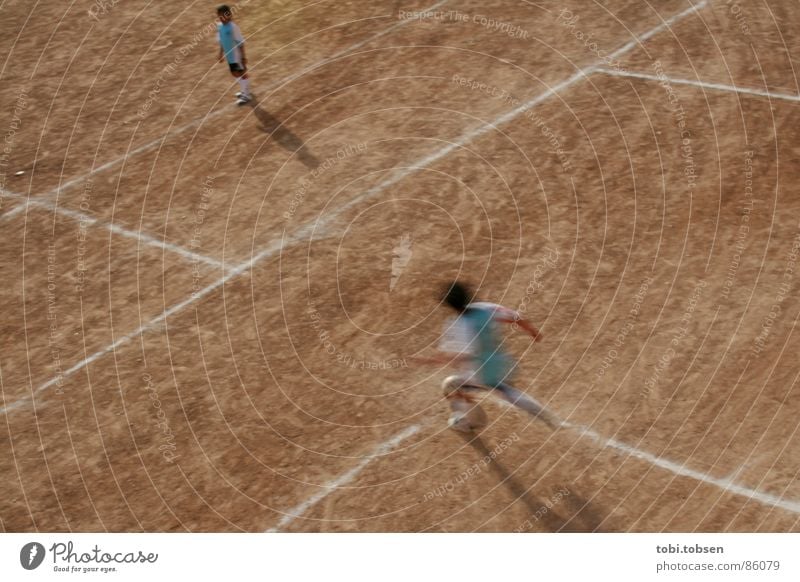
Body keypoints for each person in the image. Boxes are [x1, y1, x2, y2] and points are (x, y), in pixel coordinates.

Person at [421, 281, 560, 433]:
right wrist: (533, 332)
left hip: (482, 373)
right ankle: (539, 411)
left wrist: (433, 360)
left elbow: (461, 358)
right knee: (505, 390)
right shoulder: (485, 308)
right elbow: (515, 317)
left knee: (450, 385)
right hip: (504, 363)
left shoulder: (457, 325)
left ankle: (465, 422)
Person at [216, 4, 251, 105]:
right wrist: (220, 53)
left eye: (224, 15)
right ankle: (244, 90)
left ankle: (246, 95)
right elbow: (222, 41)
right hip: (229, 57)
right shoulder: (220, 27)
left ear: (230, 15)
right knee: (234, 73)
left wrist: (243, 57)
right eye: (219, 16)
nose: (222, 18)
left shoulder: (233, 27)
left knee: (242, 73)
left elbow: (240, 43)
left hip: (237, 57)